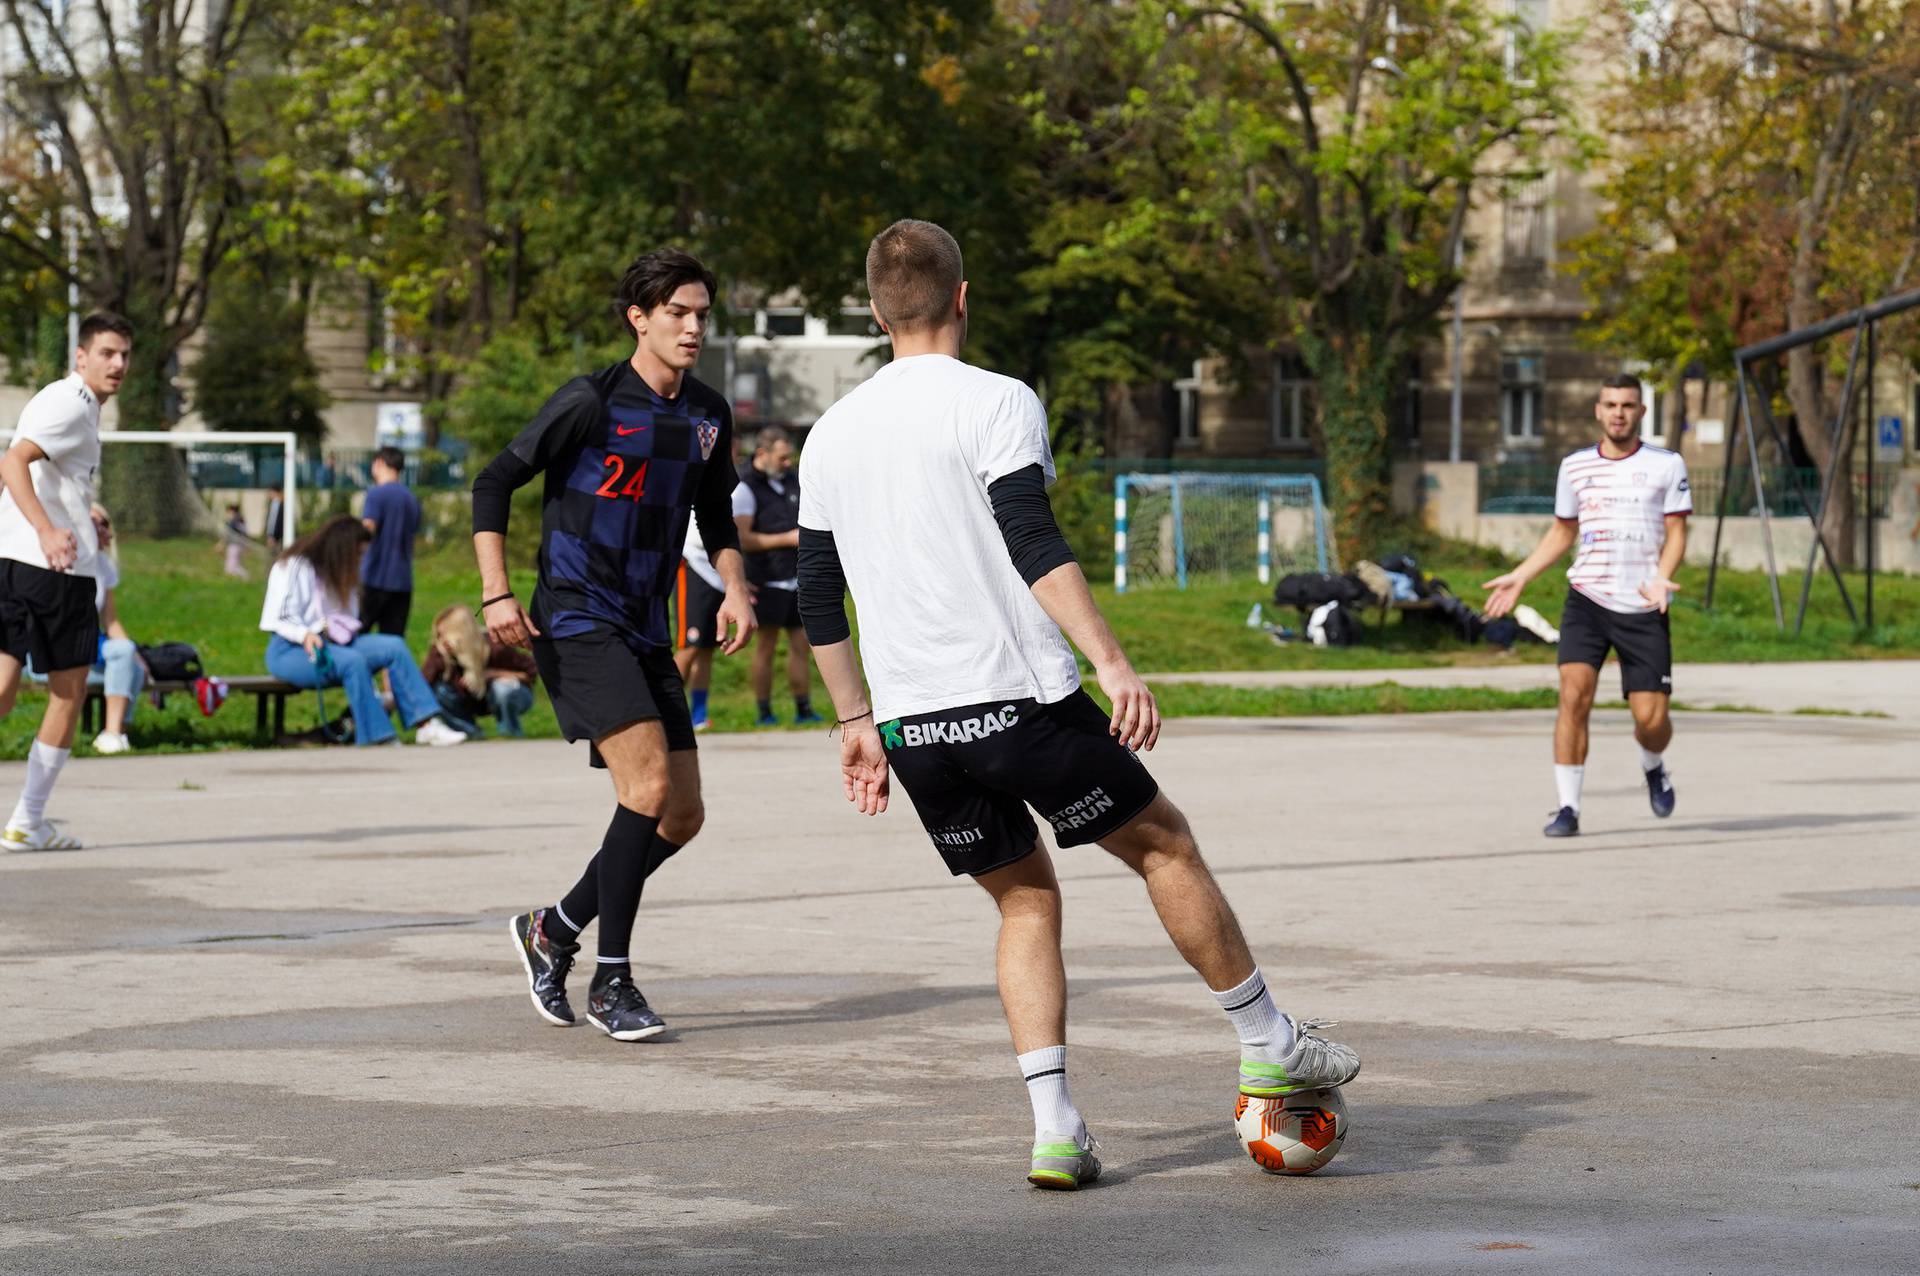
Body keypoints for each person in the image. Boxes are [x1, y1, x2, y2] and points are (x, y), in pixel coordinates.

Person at [796, 220, 1360, 1189]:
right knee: (1165, 845)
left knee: (1023, 901)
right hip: (1021, 702)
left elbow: (814, 594)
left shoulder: (830, 432)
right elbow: (1030, 536)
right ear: (963, 297)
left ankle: (1056, 1131)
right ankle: (1269, 1040)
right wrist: (1113, 659)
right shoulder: (998, 400)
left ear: (877, 310)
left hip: (917, 727)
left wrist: (857, 725)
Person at [475, 247, 754, 1042]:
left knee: (683, 814)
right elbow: (493, 482)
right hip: (572, 614)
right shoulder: (590, 402)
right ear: (640, 317)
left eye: (702, 313)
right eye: (678, 313)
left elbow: (715, 517)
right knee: (646, 788)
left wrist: (734, 587)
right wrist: (496, 593)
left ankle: (554, 928)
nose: (694, 326)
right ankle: (613, 982)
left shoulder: (706, 415)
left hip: (643, 626)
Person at [1483, 374, 1689, 838]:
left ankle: (1653, 764)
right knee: (1573, 696)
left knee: (1651, 721)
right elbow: (1562, 532)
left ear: (1641, 412)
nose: (1619, 412)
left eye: (1628, 405)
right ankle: (1567, 808)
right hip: (1587, 601)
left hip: (1642, 604)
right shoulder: (1574, 466)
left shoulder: (1667, 465)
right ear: (1598, 411)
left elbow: (1677, 533)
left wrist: (1660, 579)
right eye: (1611, 404)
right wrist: (1520, 576)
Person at [0, 312, 132, 851]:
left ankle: (27, 821)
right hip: (54, 570)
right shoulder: (73, 403)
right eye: (106, 352)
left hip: (12, 558)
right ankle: (27, 821)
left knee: (4, 691)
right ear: (81, 357)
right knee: (68, 692)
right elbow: (14, 461)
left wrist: (79, 517)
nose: (118, 364)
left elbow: (44, 474)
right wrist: (51, 530)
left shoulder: (67, 402)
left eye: (124, 354)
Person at [259, 514, 468, 748]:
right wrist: (305, 634)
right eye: (358, 554)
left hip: (335, 643)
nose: (360, 561)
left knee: (393, 647)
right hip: (290, 649)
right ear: (341, 550)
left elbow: (348, 618)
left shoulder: (341, 573)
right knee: (352, 661)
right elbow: (280, 616)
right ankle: (378, 736)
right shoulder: (293, 566)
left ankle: (427, 725)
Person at [734, 426, 820, 726]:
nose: (788, 463)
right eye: (782, 458)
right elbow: (743, 539)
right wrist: (787, 538)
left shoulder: (794, 481)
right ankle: (764, 711)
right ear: (762, 454)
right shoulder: (744, 488)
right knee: (766, 647)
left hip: (796, 578)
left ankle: (804, 708)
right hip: (765, 579)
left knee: (802, 644)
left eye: (789, 458)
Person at [422, 603, 539, 738]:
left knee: (502, 689)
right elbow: (424, 683)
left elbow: (530, 673)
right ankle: (469, 732)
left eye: (445, 635)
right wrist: (438, 658)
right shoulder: (441, 653)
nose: (442, 641)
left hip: (505, 696)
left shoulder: (494, 647)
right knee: (439, 691)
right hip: (467, 701)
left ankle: (510, 732)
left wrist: (494, 674)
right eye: (439, 635)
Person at [360, 445, 423, 637]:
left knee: (354, 636)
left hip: (373, 577)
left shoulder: (376, 494)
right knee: (392, 644)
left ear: (379, 463)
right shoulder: (412, 499)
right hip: (402, 581)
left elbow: (367, 530)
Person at [673, 520, 725, 730]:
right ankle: (667, 711)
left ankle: (698, 714)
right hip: (692, 566)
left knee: (706, 650)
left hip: (715, 572)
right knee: (689, 646)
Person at [221, 503, 249, 579]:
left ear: (232, 511)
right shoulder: (240, 520)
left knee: (232, 567)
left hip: (235, 545)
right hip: (237, 545)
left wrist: (222, 544)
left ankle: (246, 576)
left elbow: (229, 534)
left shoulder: (234, 521)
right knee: (230, 566)